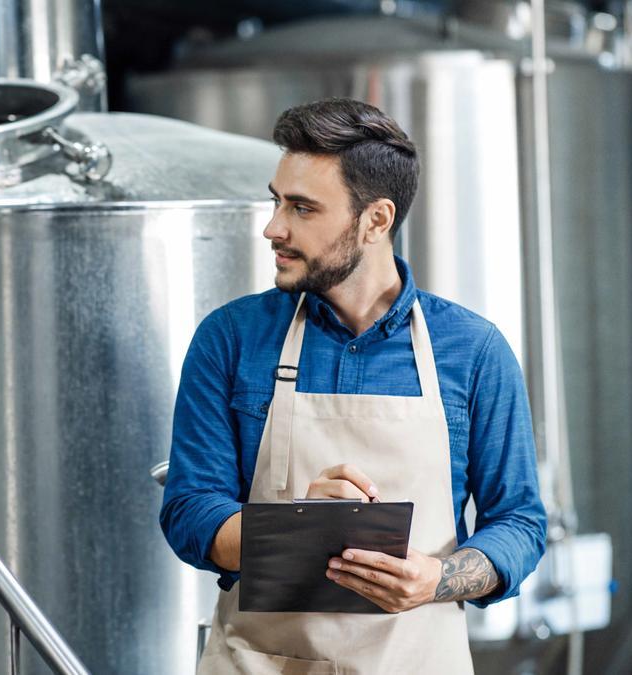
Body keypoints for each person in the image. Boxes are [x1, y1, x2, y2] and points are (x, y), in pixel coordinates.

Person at [160, 97, 546, 673]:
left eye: (302, 208)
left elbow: (519, 522)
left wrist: (438, 580)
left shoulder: (473, 351)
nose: (274, 227)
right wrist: (298, 528)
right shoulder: (231, 339)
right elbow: (190, 512)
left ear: (376, 219)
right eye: (276, 200)